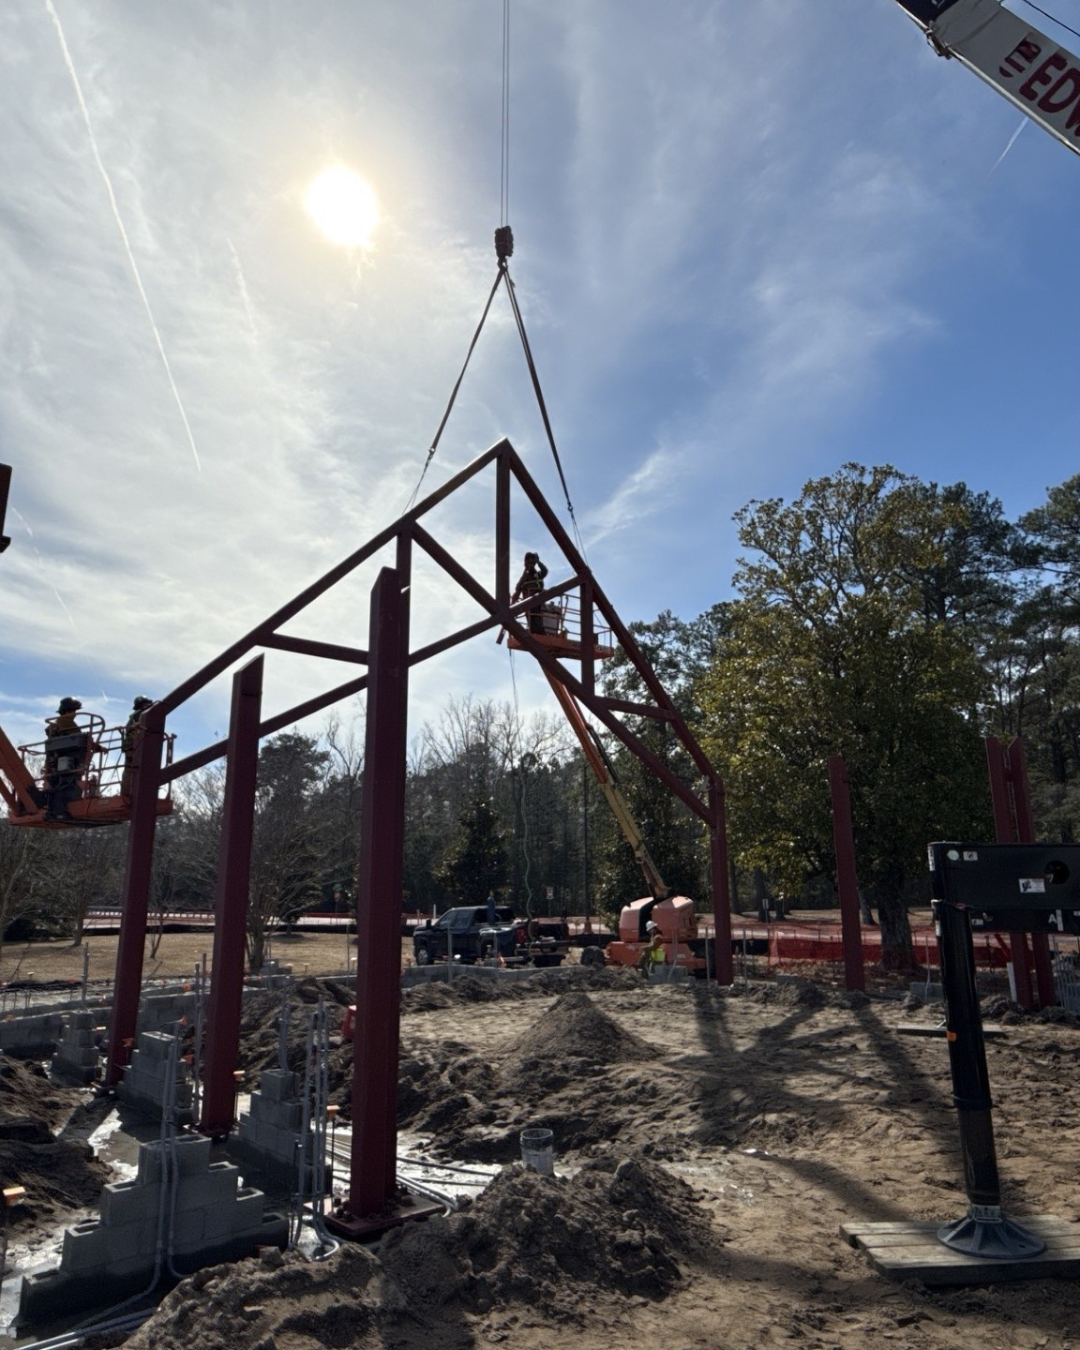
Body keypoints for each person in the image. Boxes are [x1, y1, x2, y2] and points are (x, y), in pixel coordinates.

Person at [43, 696, 87, 820]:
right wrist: (95, 745)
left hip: (57, 762)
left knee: (58, 784)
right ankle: (59, 812)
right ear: (68, 711)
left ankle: (55, 810)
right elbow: (80, 739)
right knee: (64, 785)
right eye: (74, 711)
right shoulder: (66, 723)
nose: (75, 714)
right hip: (63, 761)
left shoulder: (59, 724)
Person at [120, 695, 154, 798]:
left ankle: (127, 792)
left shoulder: (135, 716)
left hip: (132, 746)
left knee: (130, 769)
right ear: (143, 705)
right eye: (148, 704)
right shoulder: (140, 715)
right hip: (133, 745)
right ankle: (130, 793)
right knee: (133, 768)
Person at [512, 551, 549, 633]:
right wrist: (513, 606)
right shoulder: (525, 577)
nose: (531, 565)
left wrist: (539, 562)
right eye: (529, 562)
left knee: (538, 621)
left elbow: (545, 571)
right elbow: (517, 588)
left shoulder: (538, 575)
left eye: (532, 562)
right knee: (533, 622)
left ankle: (539, 633)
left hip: (539, 602)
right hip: (529, 603)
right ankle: (537, 633)